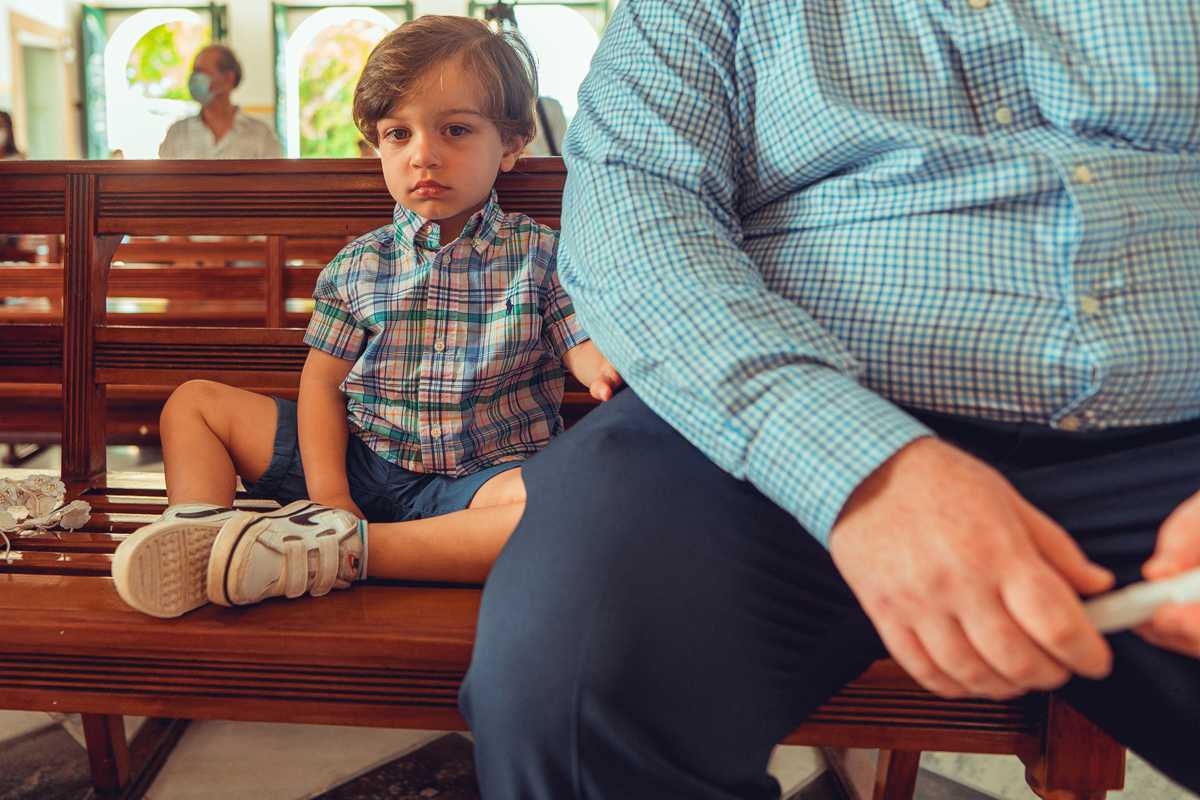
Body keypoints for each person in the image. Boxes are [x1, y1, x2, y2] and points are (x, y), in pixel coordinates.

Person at [458, 0, 1200, 796]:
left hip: (1174, 444)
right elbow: (633, 220)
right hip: (764, 420)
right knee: (572, 690)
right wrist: (862, 470)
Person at [111, 16, 620, 619]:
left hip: (480, 482)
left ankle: (346, 552)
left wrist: (607, 368)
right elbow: (323, 383)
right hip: (357, 462)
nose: (423, 155)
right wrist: (330, 494)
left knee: (561, 510)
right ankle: (203, 538)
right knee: (193, 404)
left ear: (511, 144)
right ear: (376, 146)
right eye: (398, 134)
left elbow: (580, 342)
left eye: (455, 130)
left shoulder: (541, 254)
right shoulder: (358, 264)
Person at [158, 44, 282, 160]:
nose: (193, 78)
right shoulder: (176, 134)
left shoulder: (262, 136)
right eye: (193, 72)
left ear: (227, 78)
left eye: (200, 71)